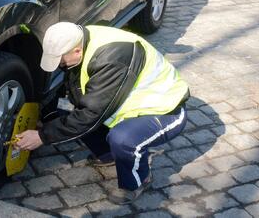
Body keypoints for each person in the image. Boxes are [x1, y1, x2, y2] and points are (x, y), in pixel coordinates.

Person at [14, 22, 190, 205]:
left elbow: (91, 114)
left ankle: (138, 180)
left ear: (76, 51)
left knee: (123, 139)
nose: (59, 65)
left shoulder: (112, 59)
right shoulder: (81, 39)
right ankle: (110, 155)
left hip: (166, 110)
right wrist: (46, 117)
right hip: (124, 107)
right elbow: (73, 91)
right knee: (70, 116)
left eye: (61, 61)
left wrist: (42, 136)